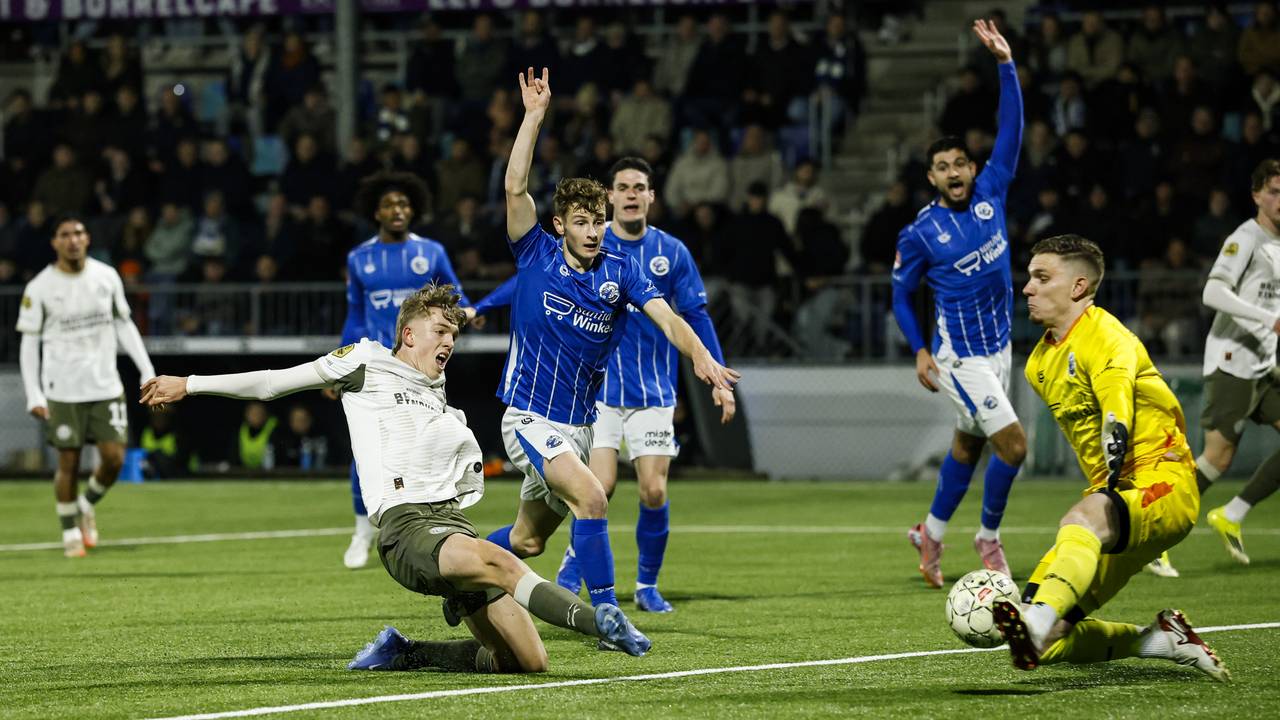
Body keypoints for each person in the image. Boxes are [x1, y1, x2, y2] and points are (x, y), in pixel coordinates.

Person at [139, 284, 652, 670]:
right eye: (440, 331)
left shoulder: (437, 391)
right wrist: (189, 383)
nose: (449, 340)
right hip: (407, 531)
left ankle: (407, 651)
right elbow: (274, 383)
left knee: (527, 663)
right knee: (502, 560)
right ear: (408, 334)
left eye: (453, 333)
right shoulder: (365, 362)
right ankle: (598, 621)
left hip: (452, 525)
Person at [483, 68, 738, 632]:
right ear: (560, 225)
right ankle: (606, 612)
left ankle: (460, 565)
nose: (595, 230)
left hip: (575, 426)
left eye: (598, 221)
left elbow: (668, 317)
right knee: (595, 497)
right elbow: (514, 188)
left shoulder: (622, 272)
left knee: (526, 540)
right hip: (528, 416)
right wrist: (533, 118)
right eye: (582, 221)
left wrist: (701, 358)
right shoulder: (535, 254)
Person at [992, 234, 1228, 682]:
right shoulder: (1039, 362)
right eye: (1028, 277)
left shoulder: (1109, 336)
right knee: (1048, 645)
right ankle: (1160, 639)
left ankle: (1036, 617)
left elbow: (1115, 397)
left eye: (1042, 278)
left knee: (1081, 520)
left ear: (1078, 287)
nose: (1027, 288)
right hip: (1119, 502)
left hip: (1165, 483)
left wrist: (1113, 441)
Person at [891, 20, 1025, 588]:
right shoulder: (920, 233)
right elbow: (900, 293)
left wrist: (1006, 66)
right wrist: (920, 350)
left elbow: (1012, 129)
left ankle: (931, 534)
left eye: (961, 165)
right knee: (1014, 447)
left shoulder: (992, 194)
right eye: (943, 167)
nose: (955, 173)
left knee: (967, 447)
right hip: (960, 357)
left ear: (973, 170)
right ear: (932, 178)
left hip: (999, 349)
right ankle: (988, 538)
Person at [337, 170, 476, 570]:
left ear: (413, 209)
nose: (398, 210)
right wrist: (343, 361)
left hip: (421, 370)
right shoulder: (359, 257)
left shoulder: (430, 252)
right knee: (365, 449)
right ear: (375, 213)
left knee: (430, 443)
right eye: (389, 205)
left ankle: (433, 523)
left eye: (403, 204)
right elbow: (355, 316)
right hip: (378, 367)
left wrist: (462, 314)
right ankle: (363, 529)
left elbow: (457, 297)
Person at [16, 215, 156, 557]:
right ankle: (69, 535)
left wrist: (146, 370)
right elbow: (29, 344)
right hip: (62, 389)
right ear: (54, 243)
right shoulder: (40, 287)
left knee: (113, 460)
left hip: (105, 385)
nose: (73, 240)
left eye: (78, 233)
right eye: (65, 235)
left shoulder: (106, 277)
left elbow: (124, 325)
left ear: (88, 238)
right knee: (69, 462)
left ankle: (85, 503)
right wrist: (34, 393)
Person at [1193, 159, 1280, 566]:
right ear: (1257, 195)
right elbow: (1212, 292)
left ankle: (1231, 515)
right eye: (1275, 192)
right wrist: (1270, 320)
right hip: (1232, 360)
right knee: (1217, 459)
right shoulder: (1245, 238)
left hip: (1264, 363)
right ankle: (1150, 531)